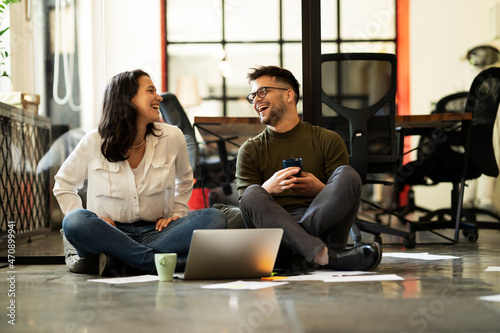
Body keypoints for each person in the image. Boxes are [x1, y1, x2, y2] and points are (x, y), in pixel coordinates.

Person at [54, 69, 227, 276]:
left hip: (159, 233)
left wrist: (177, 213)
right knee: (74, 221)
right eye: (151, 91)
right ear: (128, 99)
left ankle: (122, 262)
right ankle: (155, 263)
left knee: (214, 218)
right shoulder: (94, 141)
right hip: (110, 234)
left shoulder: (172, 137)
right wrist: (96, 220)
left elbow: (185, 179)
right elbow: (64, 184)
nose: (159, 97)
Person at [236, 65, 382, 271]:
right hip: (274, 231)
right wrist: (267, 188)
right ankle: (323, 256)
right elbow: (246, 206)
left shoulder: (327, 139)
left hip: (319, 231)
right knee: (252, 193)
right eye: (253, 96)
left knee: (348, 175)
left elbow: (345, 194)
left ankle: (300, 250)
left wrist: (320, 189)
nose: (256, 100)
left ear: (288, 95)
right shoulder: (250, 149)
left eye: (262, 91)